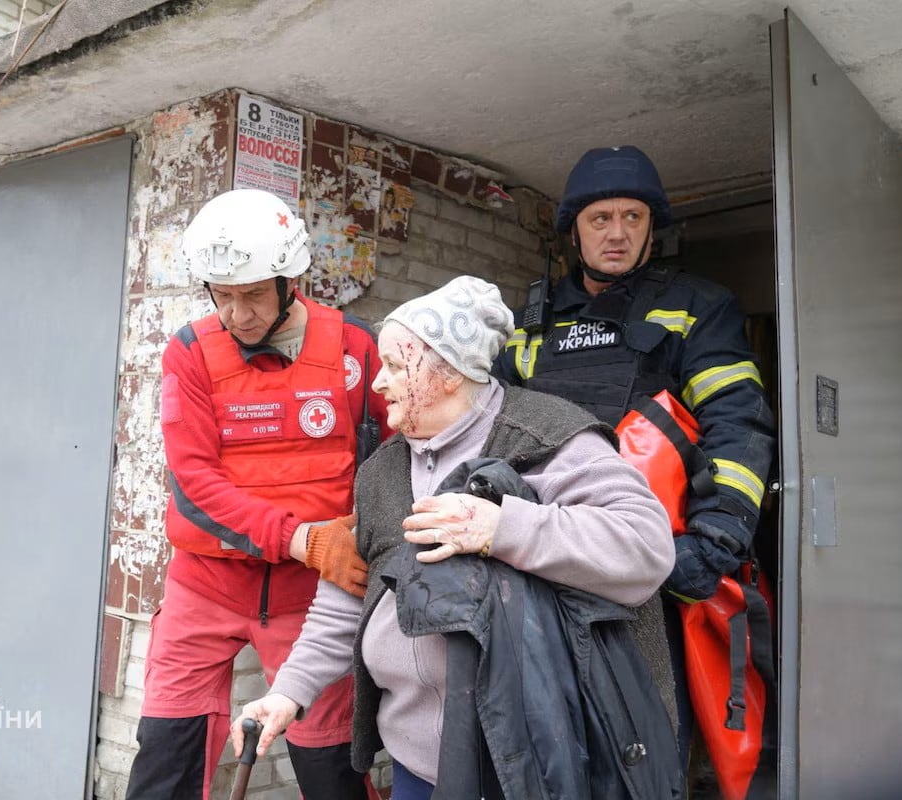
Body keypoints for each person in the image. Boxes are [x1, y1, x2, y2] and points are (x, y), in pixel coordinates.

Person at [231, 276, 680, 799]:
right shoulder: (381, 472)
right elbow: (346, 600)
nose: (378, 384)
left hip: (538, 768)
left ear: (448, 372)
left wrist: (501, 528)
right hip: (418, 766)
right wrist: (287, 693)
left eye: (395, 366)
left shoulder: (547, 436)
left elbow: (646, 545)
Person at [491, 145, 777, 769]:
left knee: (649, 749)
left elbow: (739, 424)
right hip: (544, 558)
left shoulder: (697, 306)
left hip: (650, 564)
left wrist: (713, 544)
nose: (617, 233)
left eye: (633, 217)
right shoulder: (529, 323)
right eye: (600, 218)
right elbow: (493, 429)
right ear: (574, 231)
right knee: (550, 745)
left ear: (653, 228)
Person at [125, 189, 388, 800]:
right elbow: (195, 485)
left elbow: (396, 460)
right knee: (165, 754)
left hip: (313, 597)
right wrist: (301, 538)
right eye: (222, 295)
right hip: (204, 584)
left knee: (330, 767)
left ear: (290, 281)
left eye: (252, 295)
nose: (236, 314)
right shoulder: (190, 351)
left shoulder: (355, 346)